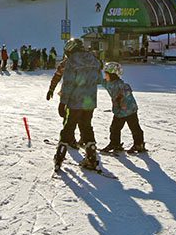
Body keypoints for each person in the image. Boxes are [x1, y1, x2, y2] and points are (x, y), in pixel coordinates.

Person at [48, 37, 103, 170]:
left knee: (68, 127)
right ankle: (91, 157)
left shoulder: (71, 61)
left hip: (75, 101)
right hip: (89, 101)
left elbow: (68, 84)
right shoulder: (93, 59)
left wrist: (63, 102)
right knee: (86, 126)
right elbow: (99, 79)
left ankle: (59, 157)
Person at [100, 62, 145, 154]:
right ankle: (116, 143)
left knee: (133, 127)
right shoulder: (109, 83)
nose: (105, 76)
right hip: (122, 110)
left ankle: (138, 144)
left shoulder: (121, 85)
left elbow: (125, 97)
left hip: (128, 110)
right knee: (115, 128)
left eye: (106, 74)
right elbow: (100, 81)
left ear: (113, 75)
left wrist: (120, 110)